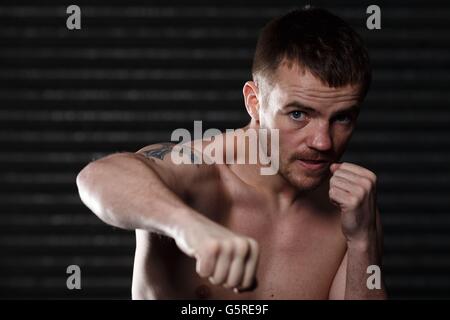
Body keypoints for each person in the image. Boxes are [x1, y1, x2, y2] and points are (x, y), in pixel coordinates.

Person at [76, 6, 387, 299]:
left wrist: (362, 242)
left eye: (342, 117)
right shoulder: (199, 174)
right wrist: (189, 228)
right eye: (298, 114)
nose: (323, 142)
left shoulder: (350, 210)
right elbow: (98, 176)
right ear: (254, 102)